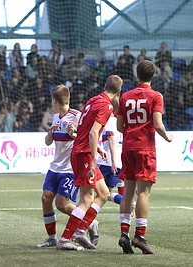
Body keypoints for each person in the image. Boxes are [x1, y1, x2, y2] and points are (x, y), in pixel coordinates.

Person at [56, 75, 123, 251]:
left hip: (82, 151)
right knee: (87, 198)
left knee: (103, 194)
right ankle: (65, 238)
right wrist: (94, 160)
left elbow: (85, 128)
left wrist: (98, 149)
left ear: (104, 85)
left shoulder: (93, 100)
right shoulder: (107, 106)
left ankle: (81, 230)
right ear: (119, 92)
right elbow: (93, 133)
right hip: (84, 155)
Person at [116, 60, 173, 254]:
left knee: (128, 193)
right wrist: (167, 137)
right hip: (145, 149)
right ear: (153, 76)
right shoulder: (156, 96)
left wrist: (131, 131)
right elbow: (157, 124)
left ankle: (124, 234)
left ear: (137, 75)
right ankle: (139, 236)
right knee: (144, 193)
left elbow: (119, 127)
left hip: (128, 147)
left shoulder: (125, 96)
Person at [36, 84, 81, 247]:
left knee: (61, 205)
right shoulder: (56, 117)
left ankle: (88, 222)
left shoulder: (77, 116)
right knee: (45, 199)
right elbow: (48, 142)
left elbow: (84, 141)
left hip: (69, 169)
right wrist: (50, 132)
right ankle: (51, 238)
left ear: (55, 100)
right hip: (55, 167)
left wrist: (73, 134)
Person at [97, 97, 125, 206]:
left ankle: (83, 214)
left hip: (107, 162)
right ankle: (129, 204)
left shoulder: (109, 122)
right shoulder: (121, 123)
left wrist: (112, 161)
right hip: (118, 163)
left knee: (92, 188)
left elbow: (111, 140)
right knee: (106, 193)